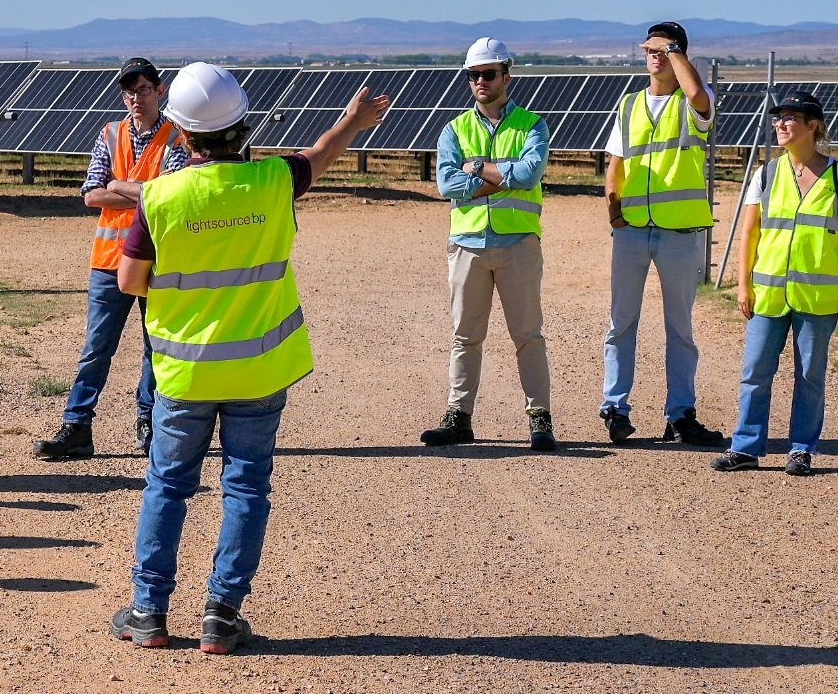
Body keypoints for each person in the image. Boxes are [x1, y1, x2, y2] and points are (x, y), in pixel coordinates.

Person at [106, 63, 389, 655]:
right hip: (260, 370)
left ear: (182, 135)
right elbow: (321, 153)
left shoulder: (161, 197)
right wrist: (354, 120)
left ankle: (148, 612)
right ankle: (222, 614)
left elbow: (130, 281)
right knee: (247, 487)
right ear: (242, 124)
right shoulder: (275, 181)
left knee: (167, 484)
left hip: (183, 373)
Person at [34, 58, 190, 460]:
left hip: (158, 259)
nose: (135, 98)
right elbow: (91, 194)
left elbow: (170, 194)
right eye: (129, 91)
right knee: (96, 346)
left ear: (160, 91)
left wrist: (117, 184)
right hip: (108, 260)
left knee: (156, 346)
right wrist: (139, 190)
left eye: (142, 89)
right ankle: (77, 426)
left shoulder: (178, 138)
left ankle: (150, 424)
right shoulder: (110, 133)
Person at [713, 92, 838, 476]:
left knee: (810, 375)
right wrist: (743, 285)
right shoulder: (766, 173)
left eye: (790, 118)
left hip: (818, 294)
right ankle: (745, 447)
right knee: (755, 371)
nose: (780, 125)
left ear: (813, 125)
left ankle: (801, 450)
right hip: (769, 292)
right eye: (778, 118)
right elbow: (750, 232)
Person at [422, 37, 555, 451]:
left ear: (506, 76)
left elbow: (529, 173)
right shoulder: (454, 129)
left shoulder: (532, 124)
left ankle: (540, 419)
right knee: (466, 336)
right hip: (467, 245)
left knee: (528, 335)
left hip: (518, 243)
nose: (481, 81)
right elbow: (447, 184)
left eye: (489, 73)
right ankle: (458, 416)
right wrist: (499, 176)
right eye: (474, 75)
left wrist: (476, 167)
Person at [601, 22, 724, 447]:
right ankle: (615, 408)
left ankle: (680, 414)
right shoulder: (629, 104)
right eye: (650, 48)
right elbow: (615, 161)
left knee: (680, 328)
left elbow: (698, 97)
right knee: (622, 324)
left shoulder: (691, 103)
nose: (654, 55)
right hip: (633, 231)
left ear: (678, 55)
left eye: (664, 50)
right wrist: (614, 210)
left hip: (679, 232)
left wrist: (674, 51)